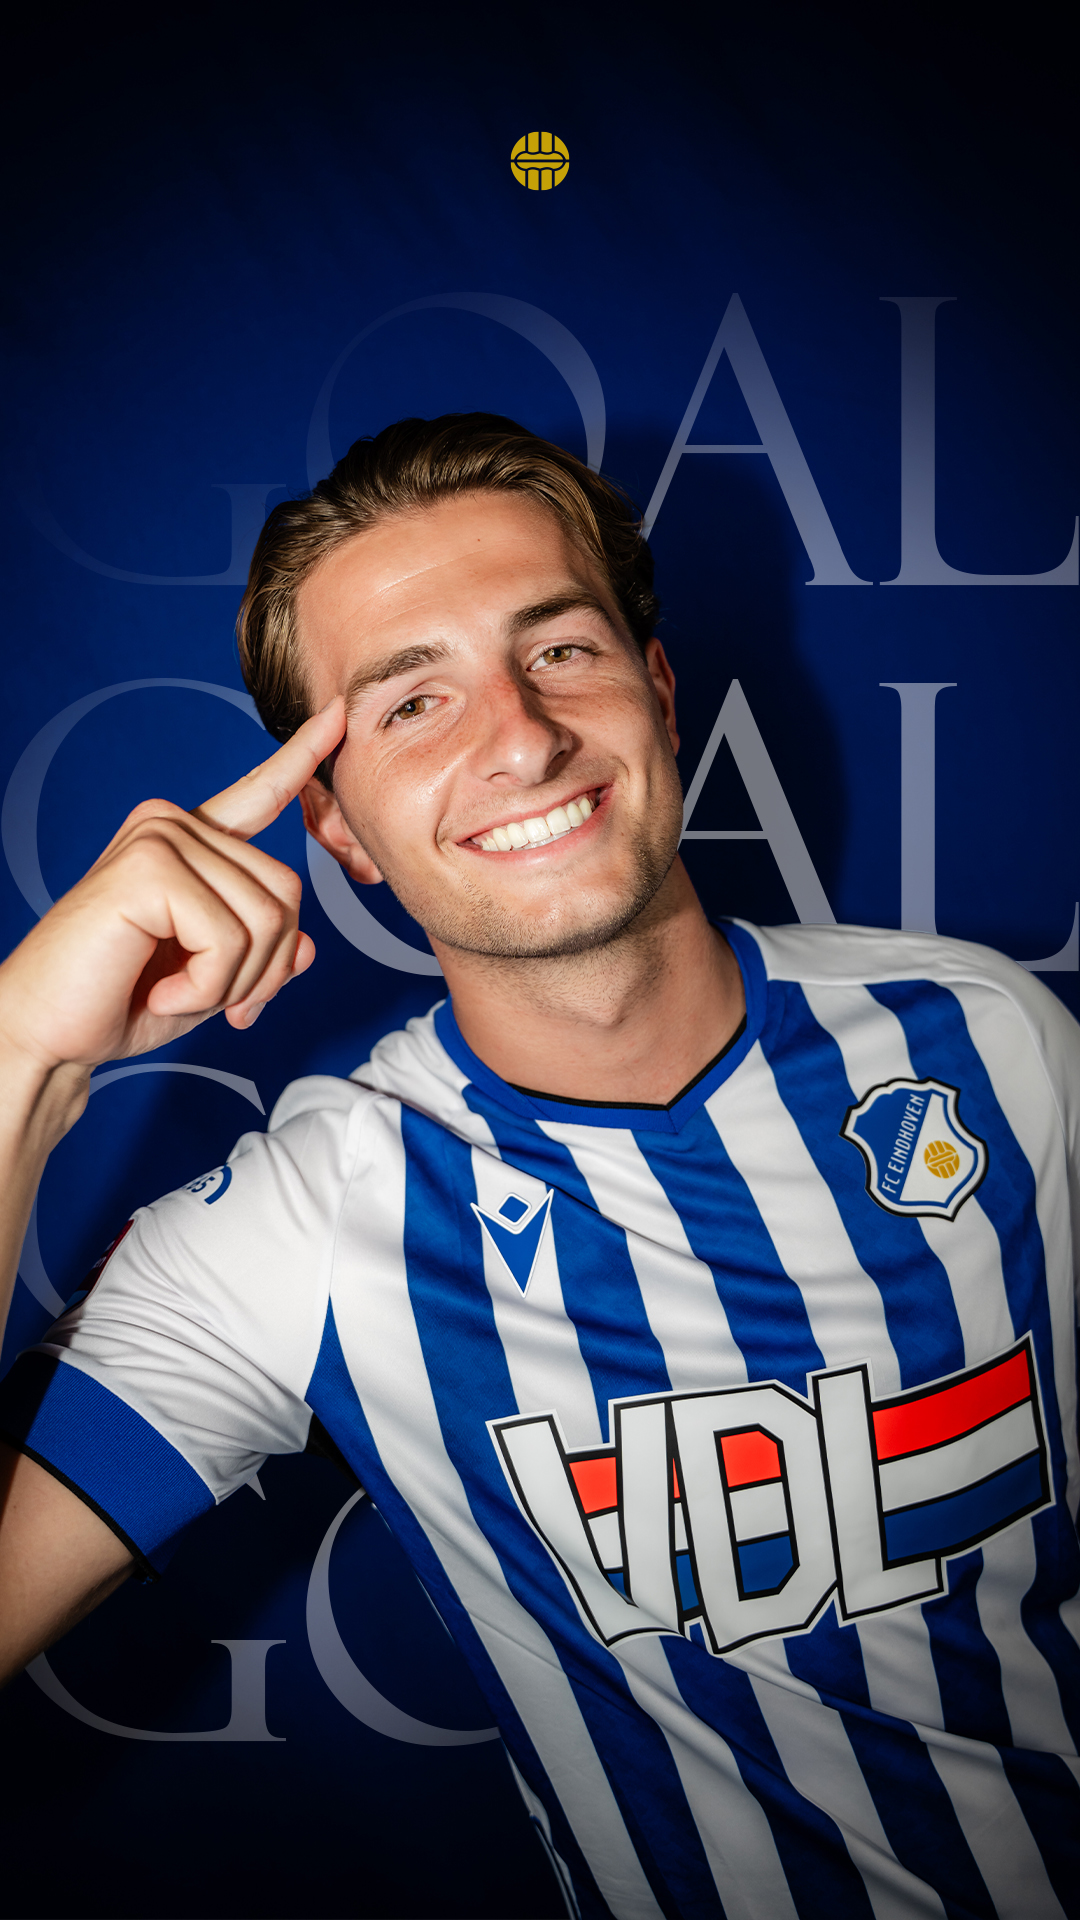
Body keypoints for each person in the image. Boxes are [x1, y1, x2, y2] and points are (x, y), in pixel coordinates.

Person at [0, 415, 1076, 1920]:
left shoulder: (998, 1041)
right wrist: (22, 1056)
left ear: (659, 691)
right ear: (338, 826)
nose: (518, 737)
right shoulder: (309, 1221)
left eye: (560, 649)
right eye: (412, 702)